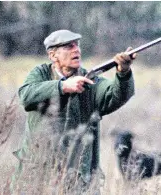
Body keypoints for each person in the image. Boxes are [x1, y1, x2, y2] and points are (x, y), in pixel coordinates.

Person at [11, 29, 136, 193]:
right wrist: (62, 86)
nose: (76, 49)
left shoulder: (89, 79)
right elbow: (26, 95)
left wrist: (123, 72)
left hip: (80, 176)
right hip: (39, 173)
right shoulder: (41, 74)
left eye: (77, 45)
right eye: (69, 47)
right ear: (53, 55)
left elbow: (115, 96)